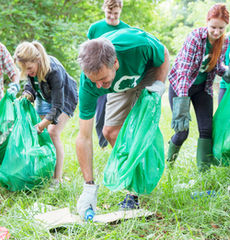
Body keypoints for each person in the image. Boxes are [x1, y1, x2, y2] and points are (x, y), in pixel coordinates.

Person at [76, 27, 169, 218]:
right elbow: (84, 137)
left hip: (146, 73)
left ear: (115, 62)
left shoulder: (137, 45)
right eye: (94, 81)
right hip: (120, 84)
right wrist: (89, 187)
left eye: (101, 79)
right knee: (109, 131)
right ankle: (134, 174)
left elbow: (164, 54)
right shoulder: (90, 83)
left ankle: (133, 191)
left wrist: (159, 84)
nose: (98, 87)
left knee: (141, 130)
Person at [166, 4, 230, 172]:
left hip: (202, 88)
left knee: (207, 129)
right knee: (182, 132)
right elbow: (184, 72)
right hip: (181, 87)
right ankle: (168, 163)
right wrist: (182, 103)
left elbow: (216, 66)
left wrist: (227, 72)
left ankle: (204, 173)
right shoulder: (195, 38)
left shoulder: (224, 41)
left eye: (221, 28)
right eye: (213, 27)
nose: (217, 32)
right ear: (207, 22)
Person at [14, 41, 78, 184]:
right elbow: (30, 85)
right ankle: (45, 172)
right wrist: (26, 96)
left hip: (64, 98)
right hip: (44, 96)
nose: (28, 73)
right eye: (25, 70)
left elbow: (57, 106)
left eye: (30, 68)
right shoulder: (30, 69)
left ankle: (57, 179)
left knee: (52, 132)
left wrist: (41, 125)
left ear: (37, 60)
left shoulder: (53, 70)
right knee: (42, 136)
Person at [88, 0, 130, 148]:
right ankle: (103, 144)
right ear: (104, 9)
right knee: (100, 115)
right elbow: (90, 53)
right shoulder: (95, 28)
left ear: (121, 11)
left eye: (116, 13)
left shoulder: (126, 29)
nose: (112, 17)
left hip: (119, 78)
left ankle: (121, 140)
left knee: (120, 114)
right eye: (109, 13)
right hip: (101, 77)